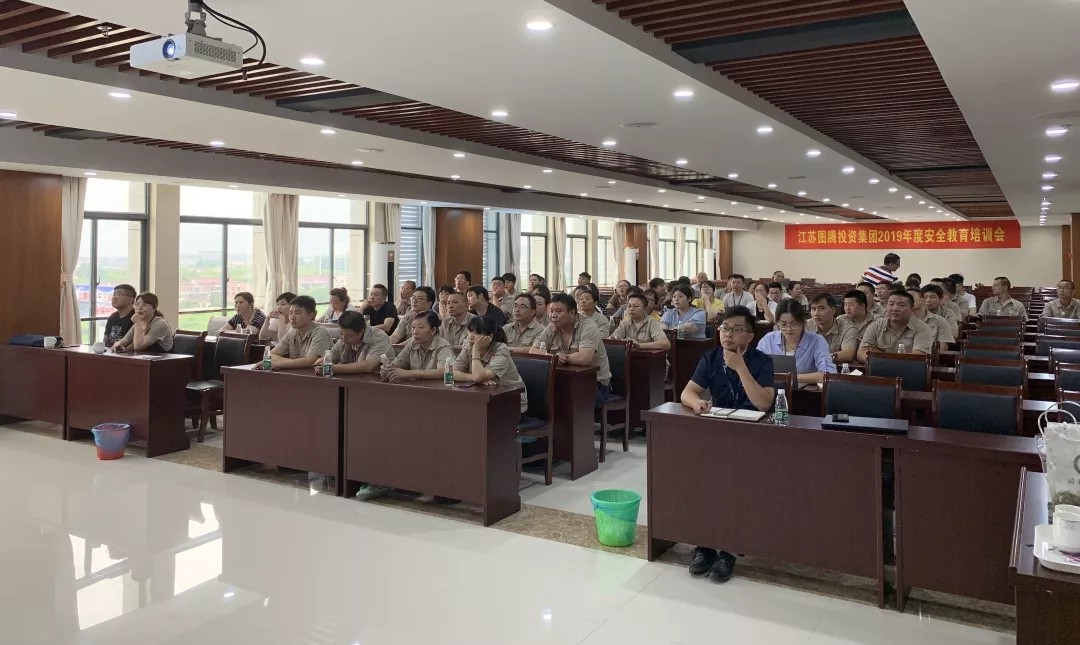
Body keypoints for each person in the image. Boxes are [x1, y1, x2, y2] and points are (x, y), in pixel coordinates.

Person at [680, 306, 774, 584]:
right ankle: (705, 544)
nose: (728, 334)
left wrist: (740, 367)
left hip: (753, 436)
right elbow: (688, 392)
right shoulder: (710, 358)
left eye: (736, 330)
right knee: (703, 482)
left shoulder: (762, 361)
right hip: (719, 431)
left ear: (750, 336)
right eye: (724, 328)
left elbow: (764, 403)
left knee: (737, 487)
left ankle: (729, 550)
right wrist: (697, 402)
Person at [531, 293, 612, 408]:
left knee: (561, 399)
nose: (553, 315)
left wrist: (563, 358)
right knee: (537, 394)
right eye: (551, 311)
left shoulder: (588, 326)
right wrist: (552, 357)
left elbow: (584, 358)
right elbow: (533, 351)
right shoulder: (552, 327)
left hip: (594, 384)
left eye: (558, 311)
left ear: (572, 312)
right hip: (563, 379)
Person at [454, 316, 528, 414]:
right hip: (484, 400)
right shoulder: (469, 347)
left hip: (510, 403)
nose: (470, 337)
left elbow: (479, 377)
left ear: (489, 337)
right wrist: (473, 377)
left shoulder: (501, 350)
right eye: (470, 332)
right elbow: (451, 373)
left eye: (476, 333)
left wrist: (476, 350)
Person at [757, 300, 835, 384]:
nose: (789, 329)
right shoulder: (768, 340)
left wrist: (789, 378)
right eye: (783, 324)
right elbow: (754, 367)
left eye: (794, 324)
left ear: (803, 322)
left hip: (805, 390)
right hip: (771, 389)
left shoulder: (816, 341)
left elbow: (829, 374)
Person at [259, 295, 333, 369]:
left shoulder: (320, 332)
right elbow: (272, 355)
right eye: (290, 313)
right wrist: (292, 363)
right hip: (296, 373)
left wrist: (279, 364)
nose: (292, 317)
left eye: (297, 313)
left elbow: (310, 361)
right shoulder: (293, 330)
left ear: (311, 315)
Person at [857, 290, 934, 360]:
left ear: (911, 310)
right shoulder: (876, 326)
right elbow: (861, 354)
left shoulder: (922, 328)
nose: (895, 309)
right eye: (891, 304)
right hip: (880, 369)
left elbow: (917, 357)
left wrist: (879, 356)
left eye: (901, 305)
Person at [313, 310, 394, 374]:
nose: (343, 339)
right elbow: (332, 356)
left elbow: (368, 366)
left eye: (348, 336)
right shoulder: (344, 338)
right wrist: (320, 363)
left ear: (361, 332)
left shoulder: (379, 337)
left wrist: (333, 368)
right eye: (340, 334)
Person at [386, 311, 455, 382]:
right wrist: (387, 369)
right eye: (413, 327)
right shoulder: (412, 344)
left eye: (420, 327)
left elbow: (444, 371)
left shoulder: (443, 345)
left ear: (433, 330)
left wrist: (409, 373)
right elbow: (396, 364)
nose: (415, 332)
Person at [805, 293, 857, 365]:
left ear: (833, 311)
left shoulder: (847, 328)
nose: (816, 313)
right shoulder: (805, 326)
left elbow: (848, 354)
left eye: (822, 308)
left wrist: (821, 357)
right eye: (813, 309)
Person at [101, 283, 136, 348]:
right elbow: (105, 340)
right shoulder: (113, 316)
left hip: (125, 352)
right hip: (110, 351)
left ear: (130, 299)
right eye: (113, 294)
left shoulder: (135, 317)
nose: (114, 297)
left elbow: (134, 343)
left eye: (118, 294)